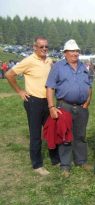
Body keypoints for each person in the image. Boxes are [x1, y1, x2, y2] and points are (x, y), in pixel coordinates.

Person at [5, 36, 59, 176]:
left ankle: (55, 159)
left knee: (51, 131)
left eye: (46, 46)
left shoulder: (49, 60)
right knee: (36, 134)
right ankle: (37, 165)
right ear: (34, 47)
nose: (44, 49)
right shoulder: (28, 60)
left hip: (48, 102)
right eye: (41, 47)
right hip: (33, 101)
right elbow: (9, 74)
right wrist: (20, 91)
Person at [46, 39, 92, 177]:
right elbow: (50, 87)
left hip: (82, 107)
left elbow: (89, 86)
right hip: (64, 106)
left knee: (80, 135)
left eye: (77, 51)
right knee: (65, 136)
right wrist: (51, 107)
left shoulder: (84, 67)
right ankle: (65, 165)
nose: (75, 53)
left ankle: (81, 161)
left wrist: (88, 101)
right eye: (72, 51)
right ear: (65, 53)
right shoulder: (58, 67)